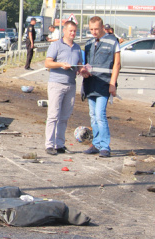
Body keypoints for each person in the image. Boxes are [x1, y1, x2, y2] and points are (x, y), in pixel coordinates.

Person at [80, 16, 121, 157]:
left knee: (100, 115)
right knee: (93, 115)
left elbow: (117, 64)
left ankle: (105, 146)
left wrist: (112, 84)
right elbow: (85, 63)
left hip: (104, 83)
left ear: (102, 27)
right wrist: (83, 71)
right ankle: (96, 144)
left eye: (96, 29)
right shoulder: (89, 43)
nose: (94, 32)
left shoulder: (113, 41)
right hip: (90, 84)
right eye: (91, 29)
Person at [43, 20, 83, 155]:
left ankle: (59, 144)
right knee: (53, 115)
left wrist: (83, 69)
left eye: (75, 31)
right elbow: (48, 63)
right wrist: (61, 64)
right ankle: (49, 145)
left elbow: (79, 64)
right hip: (56, 84)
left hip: (71, 85)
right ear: (64, 31)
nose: (73, 33)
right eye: (70, 31)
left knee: (64, 117)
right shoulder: (56, 45)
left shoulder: (77, 48)